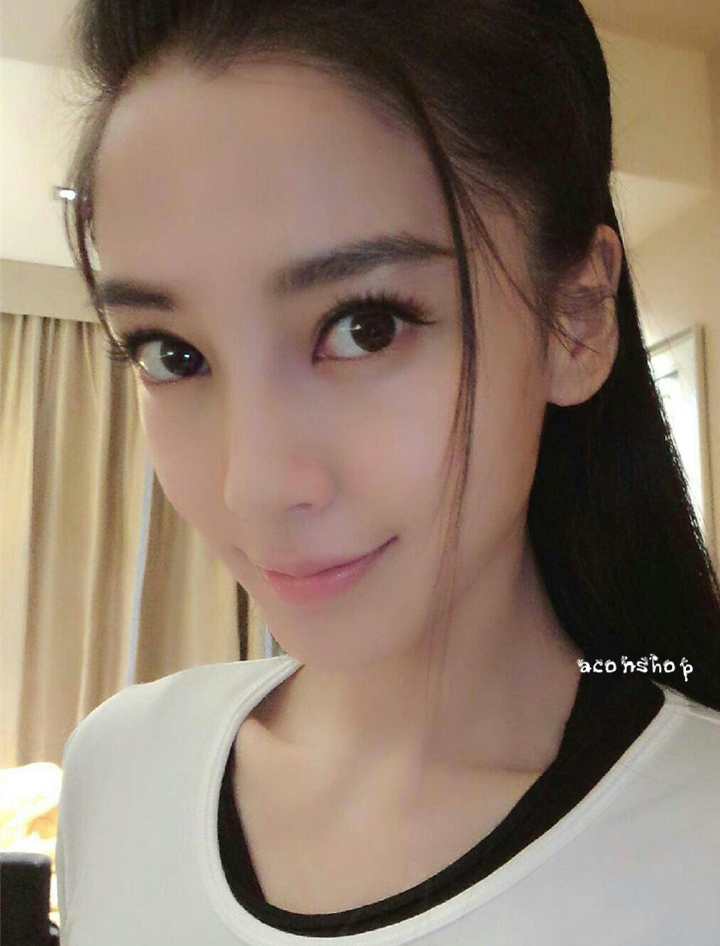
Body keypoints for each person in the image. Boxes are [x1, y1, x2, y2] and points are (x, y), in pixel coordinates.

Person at [55, 1, 720, 943]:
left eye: (364, 327)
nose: (253, 486)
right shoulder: (120, 770)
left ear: (575, 317)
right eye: (172, 354)